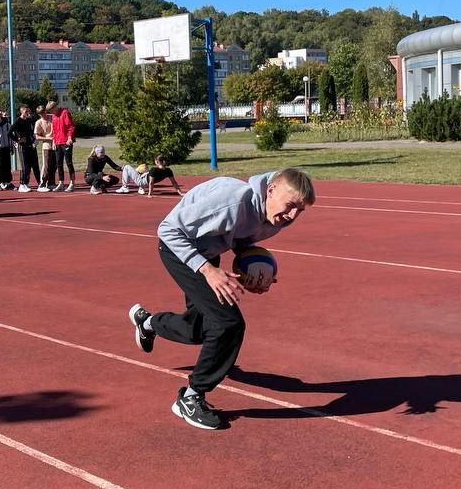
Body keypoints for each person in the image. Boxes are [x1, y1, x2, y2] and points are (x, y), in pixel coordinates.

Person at [129, 168, 316, 431]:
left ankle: (148, 324)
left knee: (199, 329)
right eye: (290, 205)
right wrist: (208, 271)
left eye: (300, 210)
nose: (293, 215)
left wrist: (252, 273)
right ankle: (191, 397)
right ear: (271, 190)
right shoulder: (232, 201)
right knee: (228, 323)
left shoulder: (275, 217)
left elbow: (240, 238)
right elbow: (168, 231)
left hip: (207, 253)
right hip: (179, 250)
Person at [116, 156, 184, 197]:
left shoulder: (154, 169)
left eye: (155, 161)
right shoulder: (168, 171)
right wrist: (180, 193)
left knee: (126, 167)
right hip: (145, 181)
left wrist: (150, 194)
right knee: (142, 169)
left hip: (141, 182)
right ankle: (141, 188)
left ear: (157, 162)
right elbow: (174, 183)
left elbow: (151, 182)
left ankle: (124, 187)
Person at [11, 105, 40, 193]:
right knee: (24, 166)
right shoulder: (18, 121)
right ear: (22, 111)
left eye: (29, 111)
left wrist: (34, 140)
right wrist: (17, 140)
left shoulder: (29, 120)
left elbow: (31, 132)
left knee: (33, 165)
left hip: (30, 145)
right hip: (22, 146)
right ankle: (21, 184)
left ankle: (28, 183)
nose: (28, 113)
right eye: (26, 111)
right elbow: (9, 133)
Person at [51, 101, 76, 191]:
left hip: (66, 142)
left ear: (55, 107)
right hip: (58, 142)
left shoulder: (65, 113)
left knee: (69, 162)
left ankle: (72, 183)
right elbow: (54, 130)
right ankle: (61, 182)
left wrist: (69, 137)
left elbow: (71, 126)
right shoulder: (54, 116)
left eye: (52, 110)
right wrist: (54, 141)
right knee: (59, 163)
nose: (52, 113)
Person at [34, 105, 56, 192]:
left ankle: (51, 183)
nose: (44, 114)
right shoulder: (38, 122)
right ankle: (42, 184)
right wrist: (48, 138)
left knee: (54, 165)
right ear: (39, 114)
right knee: (46, 165)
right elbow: (37, 136)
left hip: (55, 144)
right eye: (41, 113)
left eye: (44, 112)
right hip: (47, 145)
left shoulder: (52, 117)